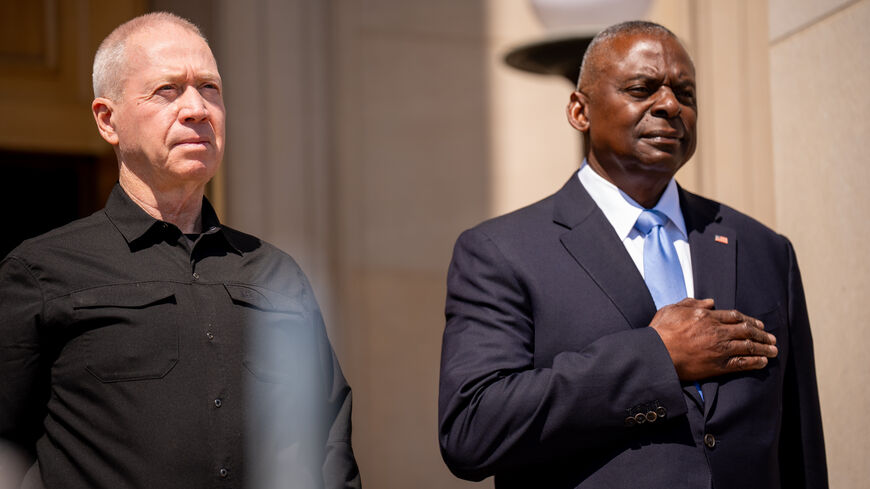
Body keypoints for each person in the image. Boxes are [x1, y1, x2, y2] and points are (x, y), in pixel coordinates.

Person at [438, 21, 827, 488]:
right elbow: (472, 429)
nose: (669, 105)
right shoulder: (502, 252)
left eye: (686, 93)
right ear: (580, 111)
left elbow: (799, 448)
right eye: (642, 88)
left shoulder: (764, 248)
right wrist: (657, 357)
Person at [0, 12, 360, 489]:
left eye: (209, 88)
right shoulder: (41, 272)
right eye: (167, 90)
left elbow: (328, 438)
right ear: (108, 120)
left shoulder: (276, 273)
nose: (197, 109)